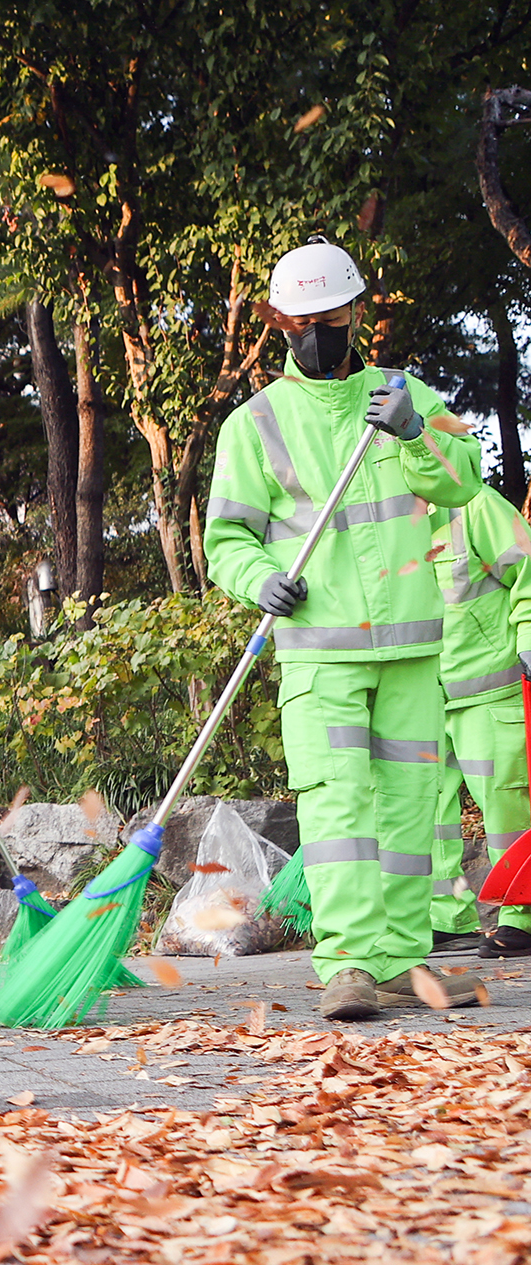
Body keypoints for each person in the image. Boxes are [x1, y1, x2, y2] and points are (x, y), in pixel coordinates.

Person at [203, 236, 484, 1021]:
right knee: (336, 809)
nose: (315, 332)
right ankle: (350, 966)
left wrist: (414, 431)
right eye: (300, 321)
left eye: (329, 317)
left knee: (407, 807)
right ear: (279, 324)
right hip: (320, 651)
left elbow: (466, 479)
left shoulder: (407, 395)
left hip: (409, 643)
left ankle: (399, 962)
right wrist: (258, 578)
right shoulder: (253, 423)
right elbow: (226, 536)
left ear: (356, 313)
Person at [427, 486, 531, 960]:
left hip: (491, 688)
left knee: (507, 804)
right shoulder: (380, 520)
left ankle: (523, 916)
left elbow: (527, 569)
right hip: (420, 695)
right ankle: (446, 920)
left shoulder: (476, 505)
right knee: (425, 813)